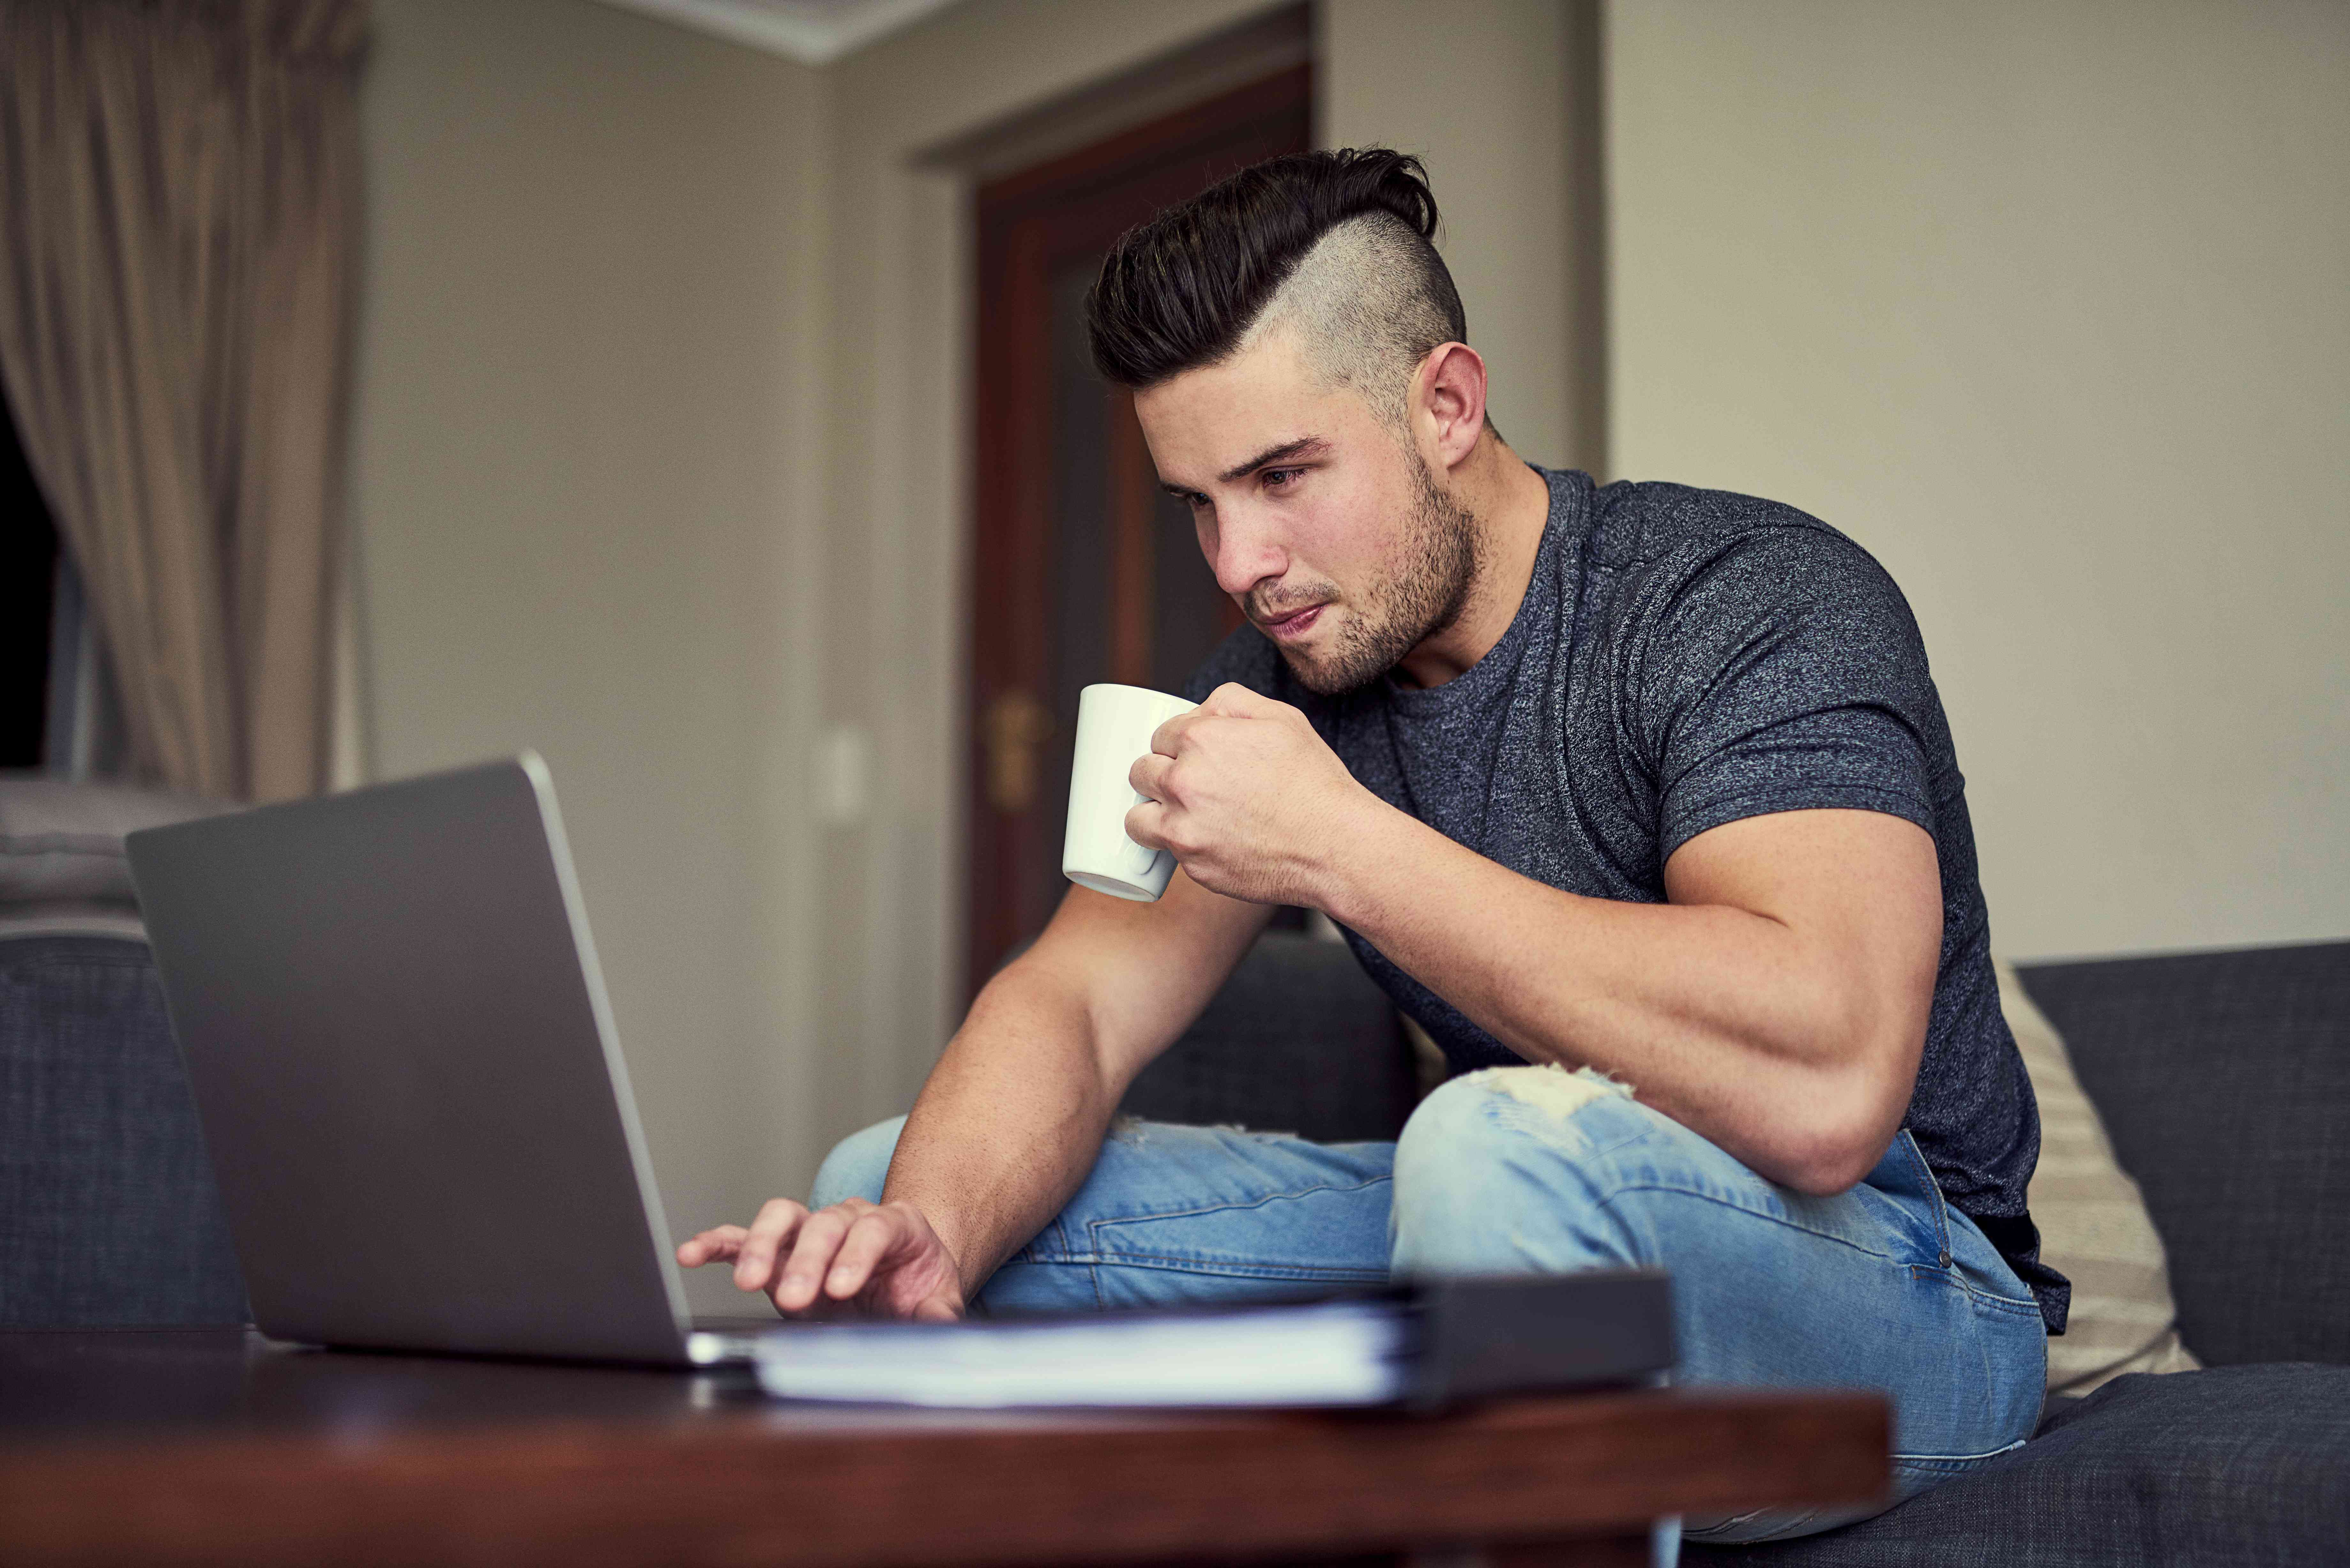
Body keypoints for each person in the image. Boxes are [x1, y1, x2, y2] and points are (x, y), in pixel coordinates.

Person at [680, 149, 2064, 1543]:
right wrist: (930, 1223)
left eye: (1283, 474)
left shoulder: (1741, 596)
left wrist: (1342, 846)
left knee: (1483, 1141)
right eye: (1200, 503)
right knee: (893, 1197)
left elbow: (1826, 1085)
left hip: (1905, 1282)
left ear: (1446, 405)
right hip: (1512, 1232)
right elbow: (1078, 1001)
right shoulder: (1273, 677)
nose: (1238, 561)